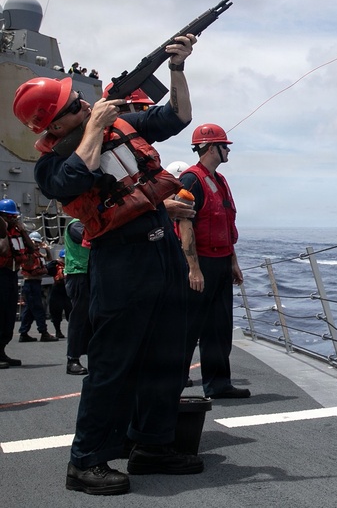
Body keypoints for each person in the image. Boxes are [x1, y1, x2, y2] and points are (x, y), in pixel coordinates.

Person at [12, 33, 202, 495]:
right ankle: (87, 461)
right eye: (76, 105)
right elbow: (75, 178)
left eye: (82, 99)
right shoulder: (51, 166)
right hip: (120, 263)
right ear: (54, 126)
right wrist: (94, 127)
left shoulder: (122, 127)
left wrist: (176, 68)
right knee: (114, 364)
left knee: (167, 355)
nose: (85, 102)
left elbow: (178, 116)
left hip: (161, 252)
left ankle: (152, 445)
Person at [178, 124, 248, 399]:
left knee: (219, 327)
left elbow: (226, 224)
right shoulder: (190, 180)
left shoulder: (219, 181)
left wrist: (233, 262)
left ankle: (218, 384)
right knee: (189, 326)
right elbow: (185, 225)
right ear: (211, 148)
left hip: (220, 262)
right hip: (201, 264)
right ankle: (174, 380)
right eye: (224, 145)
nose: (228, 150)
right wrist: (193, 269)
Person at [16, 230, 56, 343]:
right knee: (38, 309)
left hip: (36, 284)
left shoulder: (37, 254)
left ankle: (23, 332)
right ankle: (43, 332)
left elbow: (48, 258)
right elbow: (32, 270)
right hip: (31, 283)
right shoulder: (28, 254)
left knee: (29, 310)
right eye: (34, 242)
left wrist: (47, 248)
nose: (36, 244)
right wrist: (46, 270)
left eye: (38, 242)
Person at [62, 219, 91, 375]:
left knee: (95, 318)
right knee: (79, 319)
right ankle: (72, 359)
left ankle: (95, 358)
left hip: (91, 274)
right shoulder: (76, 225)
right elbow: (89, 239)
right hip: (79, 275)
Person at [0, 199, 25, 368]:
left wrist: (22, 231)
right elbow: (3, 250)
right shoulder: (2, 232)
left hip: (11, 274)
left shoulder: (15, 230)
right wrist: (3, 229)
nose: (12, 220)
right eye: (8, 217)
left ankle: (1, 350)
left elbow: (30, 248)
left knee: (8, 315)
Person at [48, 249, 71, 340]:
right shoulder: (56, 265)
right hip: (57, 289)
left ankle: (74, 331)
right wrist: (54, 262)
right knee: (56, 312)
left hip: (67, 290)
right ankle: (58, 330)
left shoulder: (70, 265)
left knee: (70, 311)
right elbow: (48, 269)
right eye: (63, 259)